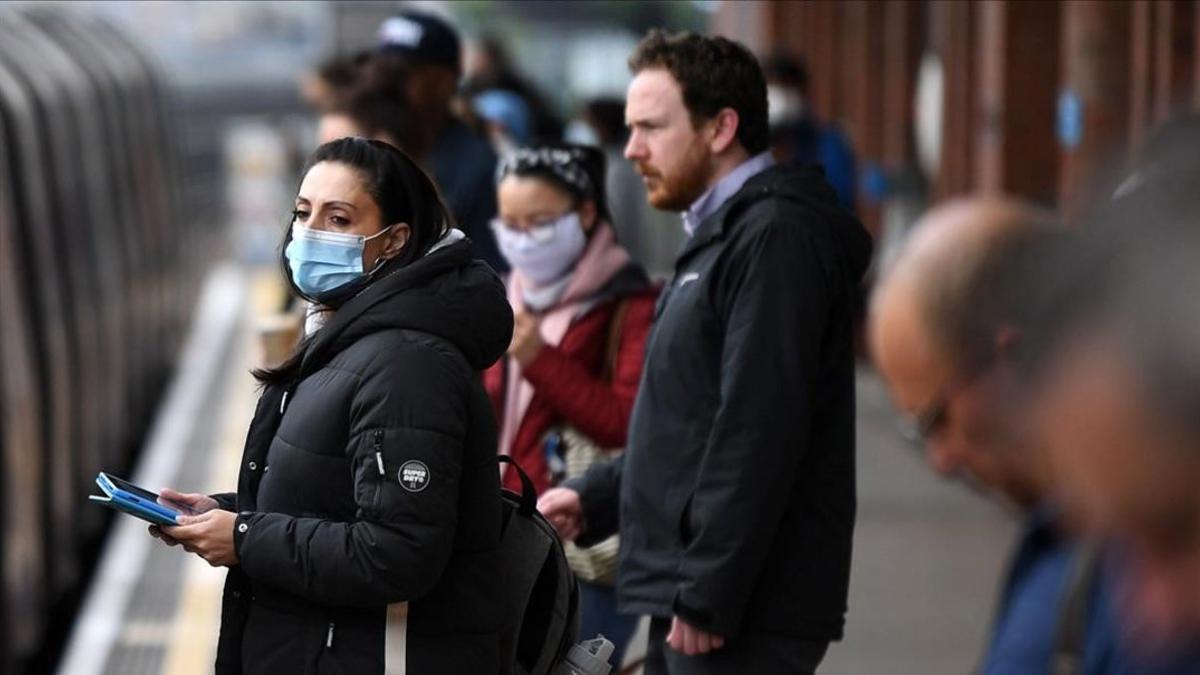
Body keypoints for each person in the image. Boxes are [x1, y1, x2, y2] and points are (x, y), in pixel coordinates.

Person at [539, 30, 872, 674]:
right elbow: (695, 421)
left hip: (736, 607)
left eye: (651, 128)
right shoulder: (728, 233)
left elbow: (759, 427)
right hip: (703, 592)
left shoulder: (772, 238)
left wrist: (707, 593)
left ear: (721, 128)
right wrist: (599, 493)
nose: (631, 150)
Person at [151, 138, 513, 673]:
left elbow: (397, 552)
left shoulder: (407, 366)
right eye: (303, 213)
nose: (309, 232)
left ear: (393, 241)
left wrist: (246, 539)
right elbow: (336, 495)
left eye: (339, 218)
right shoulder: (344, 338)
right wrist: (231, 512)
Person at [869, 196, 1200, 673]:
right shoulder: (1060, 548)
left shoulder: (1105, 570)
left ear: (1015, 354)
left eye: (937, 420)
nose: (941, 460)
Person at [483, 144, 657, 666]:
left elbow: (629, 424)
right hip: (503, 534)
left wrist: (539, 357)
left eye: (538, 222)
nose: (521, 238)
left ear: (584, 214)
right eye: (509, 223)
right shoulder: (499, 294)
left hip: (584, 548)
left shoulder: (632, 304)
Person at [376, 10, 506, 272]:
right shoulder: (367, 144)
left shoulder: (476, 163)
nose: (385, 86)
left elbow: (486, 273)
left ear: (446, 81)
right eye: (380, 72)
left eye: (401, 76)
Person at [763, 53, 857, 212]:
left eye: (786, 89)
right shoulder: (752, 144)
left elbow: (841, 199)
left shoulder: (829, 143)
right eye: (774, 91)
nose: (781, 101)